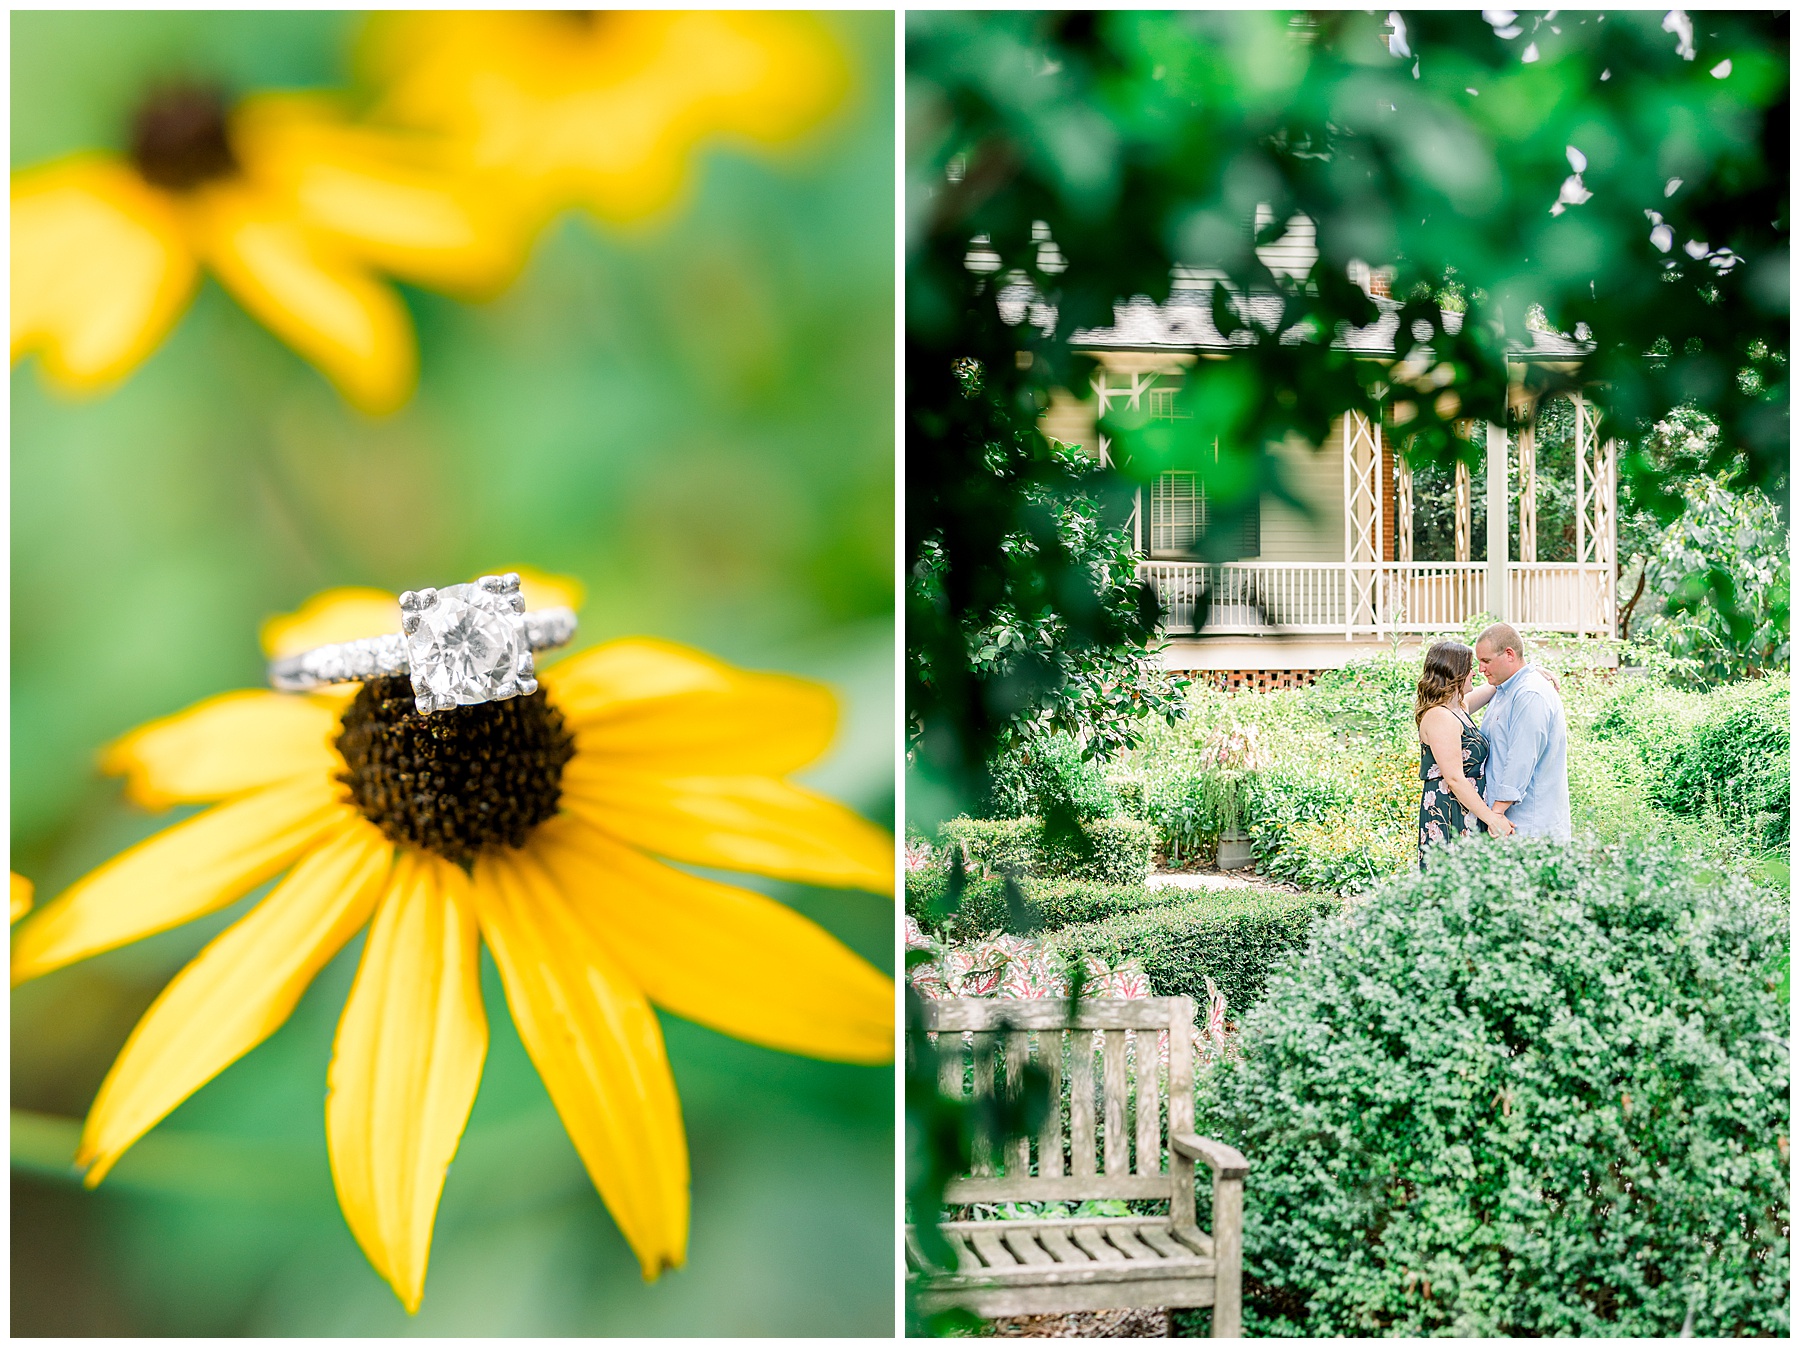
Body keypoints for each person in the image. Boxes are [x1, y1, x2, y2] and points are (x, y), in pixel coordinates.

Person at [1464, 622, 1572, 842]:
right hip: (1508, 824)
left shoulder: (1529, 694)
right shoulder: (1505, 689)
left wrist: (1495, 815)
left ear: (1509, 654)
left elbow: (1520, 761)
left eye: (1486, 661)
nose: (1481, 669)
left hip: (1529, 826)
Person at [1415, 639, 1514, 869]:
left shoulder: (1458, 709)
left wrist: (1528, 671)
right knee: (1451, 886)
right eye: (1469, 668)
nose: (1475, 673)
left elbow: (1493, 686)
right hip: (1449, 811)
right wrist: (1492, 819)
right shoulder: (1440, 717)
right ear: (1454, 672)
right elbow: (1454, 778)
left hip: (1467, 809)